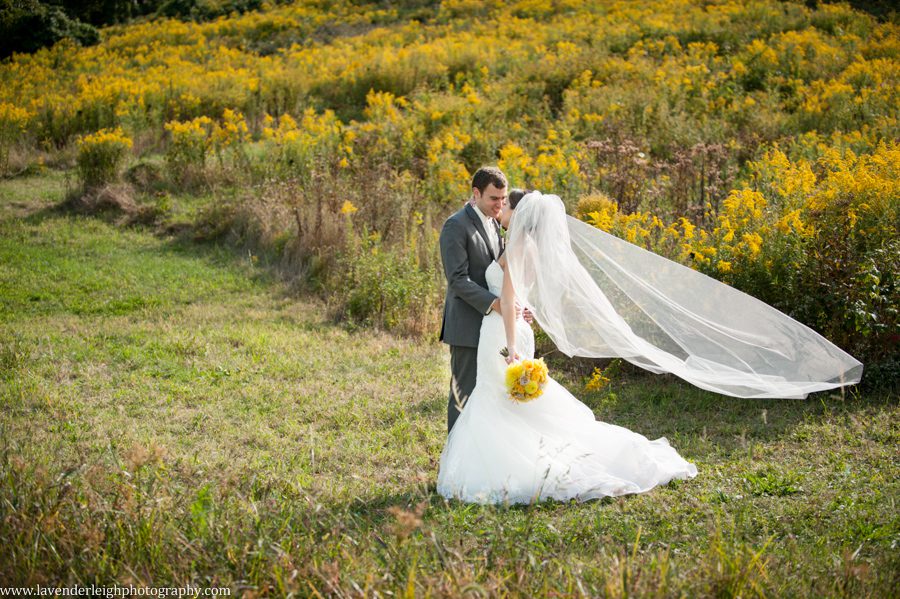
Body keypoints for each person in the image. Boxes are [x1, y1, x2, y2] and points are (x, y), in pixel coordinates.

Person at [437, 190, 861, 504]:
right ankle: (528, 454)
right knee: (510, 402)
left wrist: (512, 346)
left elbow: (509, 297)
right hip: (512, 328)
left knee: (500, 398)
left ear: (519, 214)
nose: (500, 212)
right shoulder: (530, 248)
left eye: (505, 207)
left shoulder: (515, 248)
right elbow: (520, 296)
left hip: (504, 333)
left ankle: (512, 465)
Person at [439, 166, 531, 433]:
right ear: (476, 193)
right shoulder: (456, 226)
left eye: (503, 199)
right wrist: (496, 304)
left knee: (491, 396)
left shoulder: (496, 222)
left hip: (495, 329)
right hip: (467, 324)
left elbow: (506, 274)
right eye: (493, 198)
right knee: (464, 397)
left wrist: (520, 306)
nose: (499, 205)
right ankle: (455, 454)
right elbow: (458, 279)